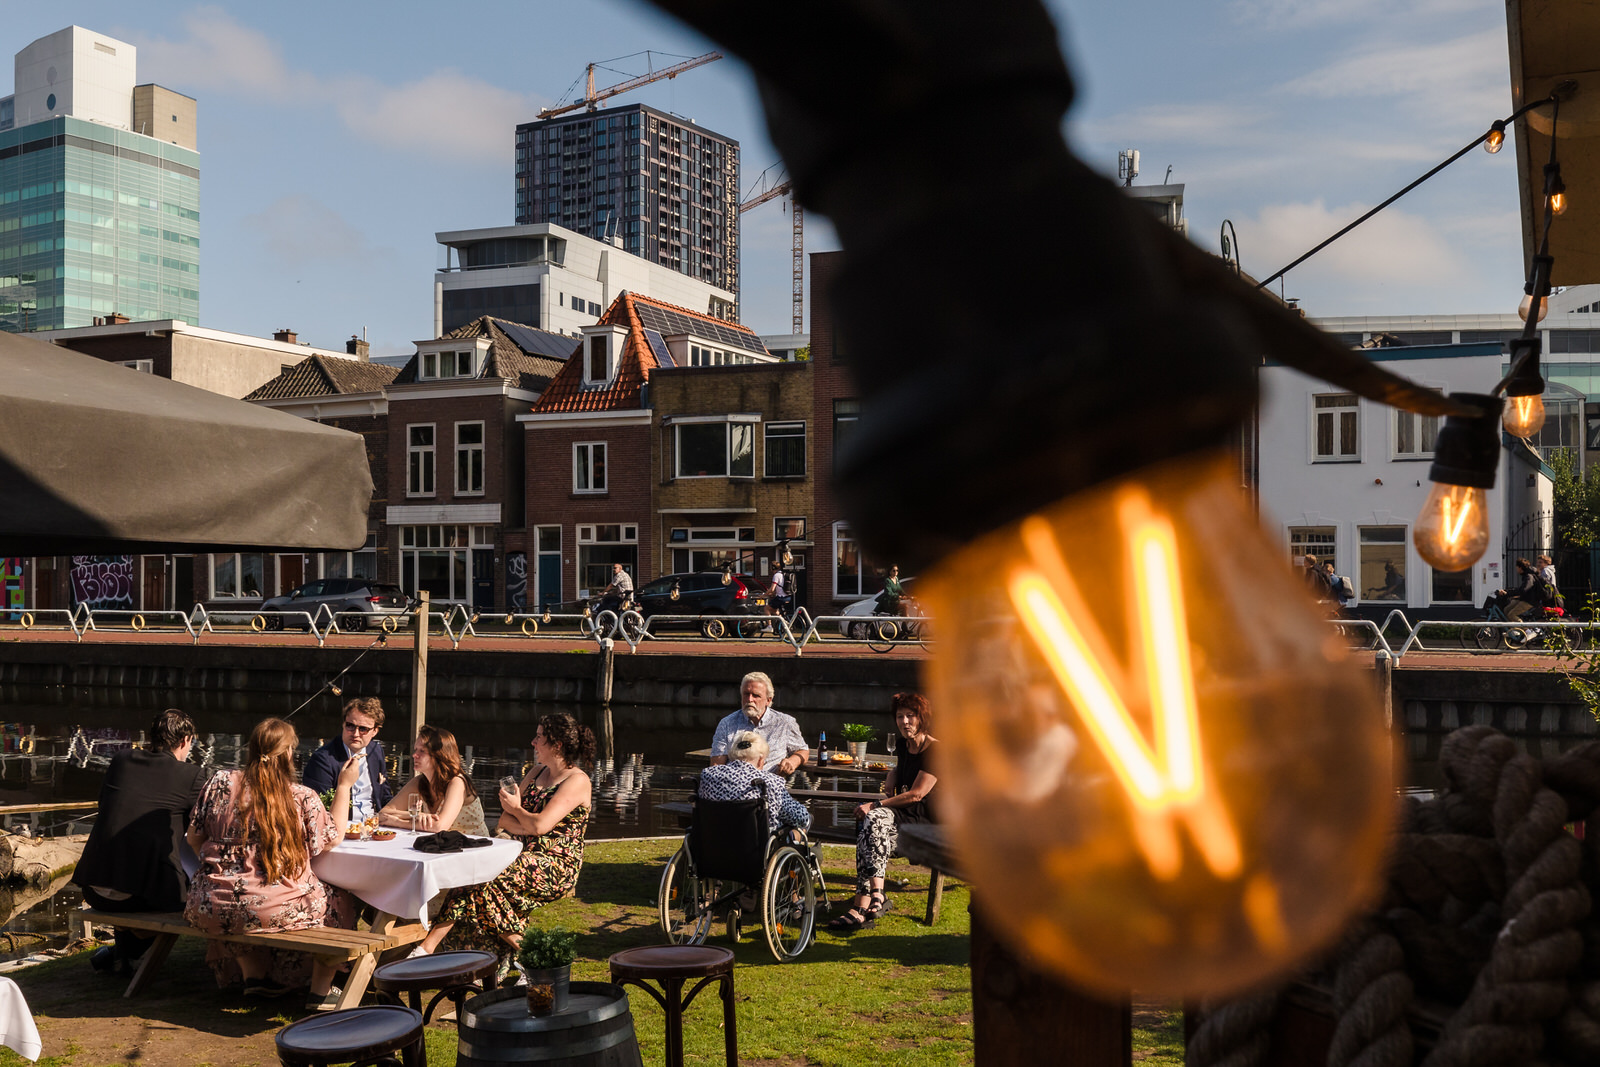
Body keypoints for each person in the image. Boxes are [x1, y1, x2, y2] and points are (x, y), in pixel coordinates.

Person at [184, 718, 360, 1010]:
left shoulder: (220, 783)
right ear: (289, 754)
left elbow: (194, 838)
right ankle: (320, 991)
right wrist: (343, 786)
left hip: (210, 902)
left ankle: (255, 977)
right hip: (270, 907)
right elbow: (332, 838)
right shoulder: (301, 797)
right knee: (340, 899)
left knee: (237, 906)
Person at [413, 713, 593, 963]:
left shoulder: (577, 781)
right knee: (475, 877)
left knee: (477, 879)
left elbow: (540, 825)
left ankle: (427, 946)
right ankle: (534, 957)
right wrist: (523, 821)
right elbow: (504, 821)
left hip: (554, 864)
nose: (533, 742)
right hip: (517, 855)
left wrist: (520, 812)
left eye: (539, 737)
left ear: (557, 745)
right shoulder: (536, 772)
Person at [75, 709, 206, 975]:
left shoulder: (121, 760)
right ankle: (129, 954)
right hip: (139, 895)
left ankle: (122, 955)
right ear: (184, 741)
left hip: (94, 888)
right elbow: (203, 830)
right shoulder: (193, 776)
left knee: (139, 869)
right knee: (195, 894)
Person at [827, 692, 936, 933]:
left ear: (922, 718)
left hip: (924, 823)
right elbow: (902, 765)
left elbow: (917, 794)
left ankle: (862, 905)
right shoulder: (903, 745)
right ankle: (874, 897)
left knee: (871, 820)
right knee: (870, 823)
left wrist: (876, 804)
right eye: (900, 717)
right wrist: (892, 774)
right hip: (901, 816)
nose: (904, 722)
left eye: (910, 716)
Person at [379, 724, 488, 835]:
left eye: (422, 751)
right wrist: (416, 815)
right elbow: (382, 814)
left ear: (439, 755)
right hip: (442, 846)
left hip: (474, 847)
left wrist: (398, 822)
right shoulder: (419, 782)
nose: (414, 755)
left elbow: (439, 827)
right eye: (416, 749)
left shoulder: (457, 782)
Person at [697, 731, 811, 835]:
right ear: (761, 760)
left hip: (713, 844)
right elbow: (800, 817)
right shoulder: (769, 782)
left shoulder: (708, 775)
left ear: (732, 755)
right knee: (805, 820)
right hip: (755, 849)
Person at [303, 697, 392, 821]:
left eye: (363, 729)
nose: (355, 734)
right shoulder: (323, 760)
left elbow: (385, 797)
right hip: (342, 827)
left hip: (375, 824)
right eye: (350, 726)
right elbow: (318, 811)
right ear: (343, 724)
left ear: (375, 731)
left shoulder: (376, 751)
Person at [709, 671, 808, 774]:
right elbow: (716, 767)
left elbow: (803, 750)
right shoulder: (727, 723)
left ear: (768, 700)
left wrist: (792, 761)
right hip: (735, 785)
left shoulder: (785, 723)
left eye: (756, 695)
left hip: (769, 785)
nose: (749, 699)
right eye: (746, 694)